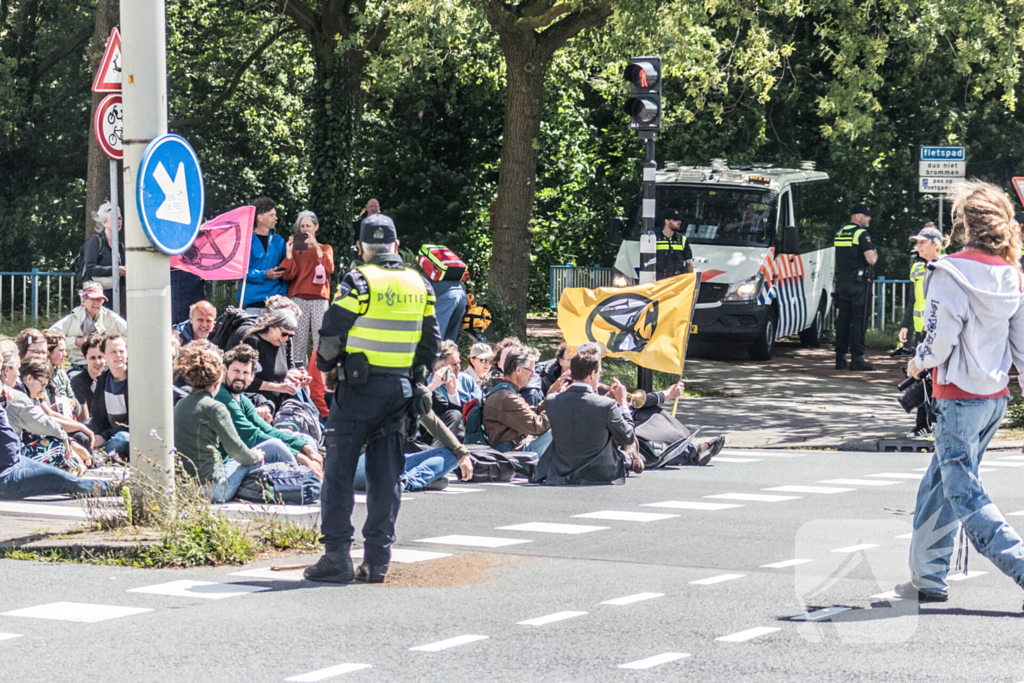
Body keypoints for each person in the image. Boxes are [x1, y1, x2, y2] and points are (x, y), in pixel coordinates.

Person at [897, 180, 1024, 605]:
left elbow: (938, 342)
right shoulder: (1011, 275)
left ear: (965, 223)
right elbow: (1020, 346)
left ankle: (1021, 567)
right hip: (994, 397)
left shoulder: (948, 272)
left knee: (963, 490)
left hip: (957, 394)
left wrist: (917, 364)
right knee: (941, 481)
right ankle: (928, 576)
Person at [305, 212, 440, 585]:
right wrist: (418, 379)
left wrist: (328, 368)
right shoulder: (421, 285)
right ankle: (377, 561)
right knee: (387, 478)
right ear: (396, 246)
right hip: (399, 392)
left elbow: (332, 331)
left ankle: (337, 557)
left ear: (362, 248)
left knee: (338, 475)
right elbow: (431, 342)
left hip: (358, 390)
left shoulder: (359, 280)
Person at [173, 344, 296, 503]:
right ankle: (299, 479)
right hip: (214, 490)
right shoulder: (215, 408)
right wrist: (255, 457)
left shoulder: (181, 405)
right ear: (218, 381)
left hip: (186, 489)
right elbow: (236, 449)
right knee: (275, 445)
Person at [533, 346, 639, 485]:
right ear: (592, 374)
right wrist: (623, 403)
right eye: (599, 374)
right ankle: (629, 457)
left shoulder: (552, 401)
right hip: (599, 473)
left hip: (561, 472)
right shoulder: (607, 405)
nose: (598, 378)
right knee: (624, 445)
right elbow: (628, 436)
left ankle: (629, 457)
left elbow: (580, 412)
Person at [215, 344, 323, 477]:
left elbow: (267, 429)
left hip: (243, 457)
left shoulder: (241, 398)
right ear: (224, 370)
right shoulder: (222, 395)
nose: (240, 377)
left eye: (245, 373)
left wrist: (305, 447)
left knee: (303, 438)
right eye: (236, 371)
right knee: (276, 446)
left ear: (252, 377)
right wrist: (301, 457)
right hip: (225, 468)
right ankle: (304, 479)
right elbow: (251, 435)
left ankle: (308, 479)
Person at [0, 402, 111, 500]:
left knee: (59, 474)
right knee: (60, 480)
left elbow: (46, 416)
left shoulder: (7, 397)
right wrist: (69, 436)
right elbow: (40, 421)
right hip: (6, 476)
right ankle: (112, 487)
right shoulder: (14, 398)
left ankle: (110, 485)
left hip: (17, 460)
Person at [898, 225, 945, 437]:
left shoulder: (947, 267)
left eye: (922, 242)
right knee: (923, 378)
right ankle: (924, 424)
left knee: (932, 378)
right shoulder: (917, 268)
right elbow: (912, 300)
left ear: (937, 245)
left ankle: (929, 423)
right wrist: (905, 325)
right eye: (916, 242)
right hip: (922, 332)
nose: (918, 246)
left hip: (940, 333)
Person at [280, 210, 334, 362]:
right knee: (297, 339)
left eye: (308, 226)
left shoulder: (326, 248)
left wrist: (316, 247)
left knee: (320, 337)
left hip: (319, 298)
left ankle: (318, 372)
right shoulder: (297, 248)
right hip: (298, 297)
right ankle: (298, 374)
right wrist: (289, 252)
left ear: (316, 227)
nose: (305, 229)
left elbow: (330, 269)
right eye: (302, 226)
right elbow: (287, 275)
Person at [481, 345, 553, 455]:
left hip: (516, 449)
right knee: (559, 429)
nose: (533, 375)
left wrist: (552, 395)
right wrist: (555, 400)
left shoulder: (505, 392)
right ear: (518, 370)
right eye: (531, 370)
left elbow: (530, 415)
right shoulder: (506, 397)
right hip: (512, 456)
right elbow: (537, 426)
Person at [833, 203, 879, 371]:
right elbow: (871, 260)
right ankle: (857, 359)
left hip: (842, 283)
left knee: (843, 321)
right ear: (858, 216)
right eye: (867, 216)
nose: (869, 219)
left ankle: (840, 357)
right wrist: (875, 251)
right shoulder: (861, 234)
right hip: (859, 285)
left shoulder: (840, 233)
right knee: (859, 321)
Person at [240, 308, 308, 411]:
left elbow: (290, 369)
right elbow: (244, 379)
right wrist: (278, 387)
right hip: (258, 406)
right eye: (284, 334)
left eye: (290, 335)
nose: (286, 338)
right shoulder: (253, 342)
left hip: (280, 407)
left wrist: (300, 378)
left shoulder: (285, 343)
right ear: (271, 327)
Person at [50, 282, 128, 371]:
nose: (96, 303)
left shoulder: (110, 317)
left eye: (99, 300)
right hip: (79, 364)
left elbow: (131, 334)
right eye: (92, 299)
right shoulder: (73, 318)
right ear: (83, 301)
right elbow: (50, 338)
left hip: (106, 366)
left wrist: (111, 343)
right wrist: (76, 341)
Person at [241, 197, 288, 312]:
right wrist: (264, 275)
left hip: (276, 301)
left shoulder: (280, 241)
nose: (275, 218)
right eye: (271, 215)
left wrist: (285, 296)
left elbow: (285, 271)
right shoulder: (246, 240)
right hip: (252, 301)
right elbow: (242, 271)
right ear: (260, 217)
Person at [88, 334, 130, 456]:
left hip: (128, 434)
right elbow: (96, 416)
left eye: (121, 351)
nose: (118, 356)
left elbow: (136, 422)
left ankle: (94, 458)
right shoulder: (102, 380)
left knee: (122, 439)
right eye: (113, 352)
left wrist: (104, 436)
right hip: (108, 430)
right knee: (83, 426)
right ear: (103, 356)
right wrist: (96, 434)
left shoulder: (136, 380)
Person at [81, 201, 127, 311]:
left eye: (120, 218)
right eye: (114, 218)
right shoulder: (96, 242)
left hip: (113, 295)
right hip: (94, 297)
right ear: (104, 223)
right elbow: (90, 269)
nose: (118, 221)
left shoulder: (121, 246)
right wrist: (115, 270)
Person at [41, 330, 81, 420]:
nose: (65, 354)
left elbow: (79, 409)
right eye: (61, 350)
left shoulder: (61, 374)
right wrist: (52, 409)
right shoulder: (37, 377)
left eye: (65, 350)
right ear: (48, 352)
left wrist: (72, 403)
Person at [69, 334, 105, 420]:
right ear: (85, 359)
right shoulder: (78, 382)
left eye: (100, 357)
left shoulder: (111, 379)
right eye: (92, 358)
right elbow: (84, 419)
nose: (97, 362)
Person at [656, 208, 694, 280]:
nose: (679, 222)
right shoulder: (654, 239)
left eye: (679, 220)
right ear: (667, 221)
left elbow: (688, 263)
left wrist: (689, 281)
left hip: (677, 282)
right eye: (675, 220)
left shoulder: (682, 239)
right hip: (659, 281)